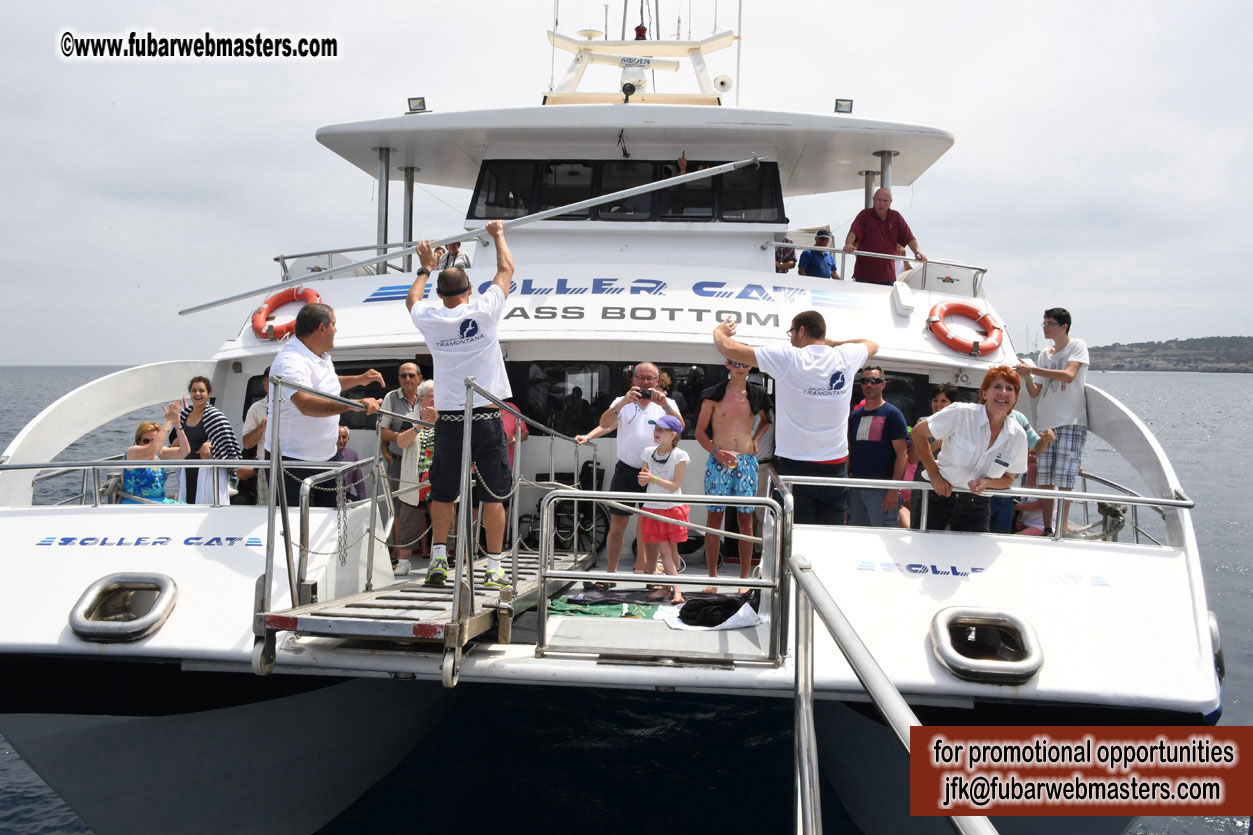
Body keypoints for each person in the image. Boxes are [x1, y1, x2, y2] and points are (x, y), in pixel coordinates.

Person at [406, 221, 514, 589]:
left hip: (449, 419)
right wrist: (497, 234)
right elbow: (506, 269)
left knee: (443, 491)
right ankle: (494, 567)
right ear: (469, 289)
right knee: (493, 493)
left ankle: (438, 559)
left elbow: (412, 301)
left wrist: (425, 267)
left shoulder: (431, 318)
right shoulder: (485, 310)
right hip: (485, 416)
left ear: (440, 294)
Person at [713, 311, 878, 525]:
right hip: (836, 467)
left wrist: (719, 331)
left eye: (791, 332)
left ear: (801, 330)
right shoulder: (845, 357)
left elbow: (728, 348)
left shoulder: (789, 358)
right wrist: (835, 344)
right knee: (830, 533)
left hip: (795, 466)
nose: (790, 339)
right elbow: (872, 344)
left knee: (795, 534)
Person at [265, 303, 383, 508]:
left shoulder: (321, 356)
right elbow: (306, 404)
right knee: (291, 523)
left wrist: (360, 379)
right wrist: (352, 404)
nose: (336, 330)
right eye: (334, 324)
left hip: (327, 457)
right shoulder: (290, 360)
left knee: (330, 518)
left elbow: (327, 384)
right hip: (291, 461)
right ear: (321, 328)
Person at [575, 361, 684, 578]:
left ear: (657, 381)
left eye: (649, 378)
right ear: (633, 380)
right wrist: (623, 402)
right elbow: (605, 423)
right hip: (625, 471)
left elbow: (679, 427)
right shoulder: (622, 401)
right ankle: (611, 574)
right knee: (617, 525)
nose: (645, 382)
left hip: (653, 474)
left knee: (649, 526)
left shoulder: (666, 403)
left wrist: (665, 405)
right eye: (641, 377)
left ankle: (647, 571)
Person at [913, 367, 1029, 533]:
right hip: (936, 499)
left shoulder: (1018, 436)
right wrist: (934, 475)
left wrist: (988, 483)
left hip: (977, 507)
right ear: (984, 393)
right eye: (997, 386)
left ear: (1015, 398)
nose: (1003, 392)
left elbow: (1008, 479)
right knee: (924, 548)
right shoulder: (960, 412)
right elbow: (918, 433)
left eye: (1009, 388)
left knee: (974, 551)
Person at [695, 357, 772, 590]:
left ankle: (744, 579)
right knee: (714, 519)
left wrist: (756, 440)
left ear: (750, 366)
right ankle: (712, 578)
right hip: (719, 462)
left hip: (746, 462)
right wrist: (715, 452)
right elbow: (699, 432)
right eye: (735, 363)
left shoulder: (757, 394)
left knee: (745, 519)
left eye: (744, 364)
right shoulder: (713, 394)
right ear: (727, 365)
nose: (740, 368)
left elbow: (766, 420)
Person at [1014, 308, 1090, 534]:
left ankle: (1062, 526)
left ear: (1063, 327)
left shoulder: (1077, 346)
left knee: (1064, 478)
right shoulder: (1044, 355)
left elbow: (1069, 375)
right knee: (1045, 478)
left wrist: (1033, 369)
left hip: (1070, 420)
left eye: (1050, 323)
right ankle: (1048, 527)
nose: (1045, 327)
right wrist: (1027, 376)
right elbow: (1035, 391)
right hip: (1046, 423)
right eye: (1044, 323)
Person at [637, 415, 690, 605]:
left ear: (672, 434)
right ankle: (674, 590)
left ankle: (672, 589)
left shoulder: (680, 455)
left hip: (672, 507)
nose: (656, 432)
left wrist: (652, 479)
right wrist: (644, 479)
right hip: (653, 508)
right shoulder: (647, 452)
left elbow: (675, 485)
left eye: (661, 429)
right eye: (656, 428)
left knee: (670, 550)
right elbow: (642, 481)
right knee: (666, 551)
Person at [847, 366, 908, 527]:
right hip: (856, 489)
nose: (869, 384)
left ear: (883, 384)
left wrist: (893, 489)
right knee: (857, 537)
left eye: (874, 381)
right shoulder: (854, 416)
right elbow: (849, 451)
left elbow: (902, 454)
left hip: (882, 489)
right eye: (864, 381)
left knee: (884, 538)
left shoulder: (893, 414)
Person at [393, 379, 436, 575]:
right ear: (421, 398)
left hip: (439, 479)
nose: (436, 400)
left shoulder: (447, 419)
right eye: (433, 396)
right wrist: (419, 426)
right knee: (408, 521)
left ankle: (440, 560)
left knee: (444, 521)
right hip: (414, 479)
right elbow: (401, 442)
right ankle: (403, 562)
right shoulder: (410, 418)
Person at [177, 376, 242, 505]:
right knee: (188, 505)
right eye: (194, 390)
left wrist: (210, 444)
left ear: (209, 393)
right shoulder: (184, 415)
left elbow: (227, 443)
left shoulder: (216, 416)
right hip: (188, 470)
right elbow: (175, 440)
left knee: (208, 506)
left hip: (210, 473)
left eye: (201, 390)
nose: (197, 394)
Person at [379, 363, 423, 551]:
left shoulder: (428, 396)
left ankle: (424, 550)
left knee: (424, 504)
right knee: (399, 505)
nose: (407, 379)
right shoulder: (390, 398)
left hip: (424, 461)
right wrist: (403, 437)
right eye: (403, 376)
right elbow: (382, 431)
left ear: (419, 378)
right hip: (399, 460)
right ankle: (398, 551)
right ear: (398, 379)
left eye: (411, 375)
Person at [842, 188, 926, 285]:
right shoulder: (864, 215)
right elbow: (853, 232)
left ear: (890, 202)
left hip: (887, 276)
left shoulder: (896, 217)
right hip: (864, 275)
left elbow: (909, 237)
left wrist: (917, 252)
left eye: (885, 201)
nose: (881, 204)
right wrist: (848, 245)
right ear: (873, 200)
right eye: (878, 200)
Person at [988, 412, 1055, 533]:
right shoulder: (979, 415)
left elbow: (1039, 447)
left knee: (1001, 537)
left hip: (1007, 495)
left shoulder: (1019, 418)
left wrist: (1045, 439)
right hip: (983, 493)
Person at [908, 383, 960, 528]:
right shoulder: (922, 423)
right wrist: (937, 443)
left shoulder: (959, 426)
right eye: (935, 400)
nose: (938, 405)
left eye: (943, 401)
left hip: (949, 485)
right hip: (924, 483)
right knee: (919, 527)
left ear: (952, 404)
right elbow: (912, 458)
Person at [122, 402, 191, 504]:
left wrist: (177, 424)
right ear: (138, 441)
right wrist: (169, 421)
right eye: (146, 441)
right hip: (137, 504)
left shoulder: (160, 454)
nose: (150, 443)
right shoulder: (133, 452)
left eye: (154, 440)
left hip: (160, 502)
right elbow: (152, 450)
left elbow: (185, 451)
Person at [236, 367, 270, 505]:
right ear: (264, 383)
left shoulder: (294, 406)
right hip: (265, 467)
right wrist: (261, 427)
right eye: (270, 380)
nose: (275, 384)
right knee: (266, 509)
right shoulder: (256, 408)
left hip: (291, 465)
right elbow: (247, 444)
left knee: (292, 508)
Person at [331, 426, 365, 502]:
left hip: (345, 495)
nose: (341, 440)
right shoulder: (326, 455)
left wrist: (362, 503)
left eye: (344, 437)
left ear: (348, 439)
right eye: (338, 437)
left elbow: (359, 483)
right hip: (327, 495)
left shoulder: (352, 455)